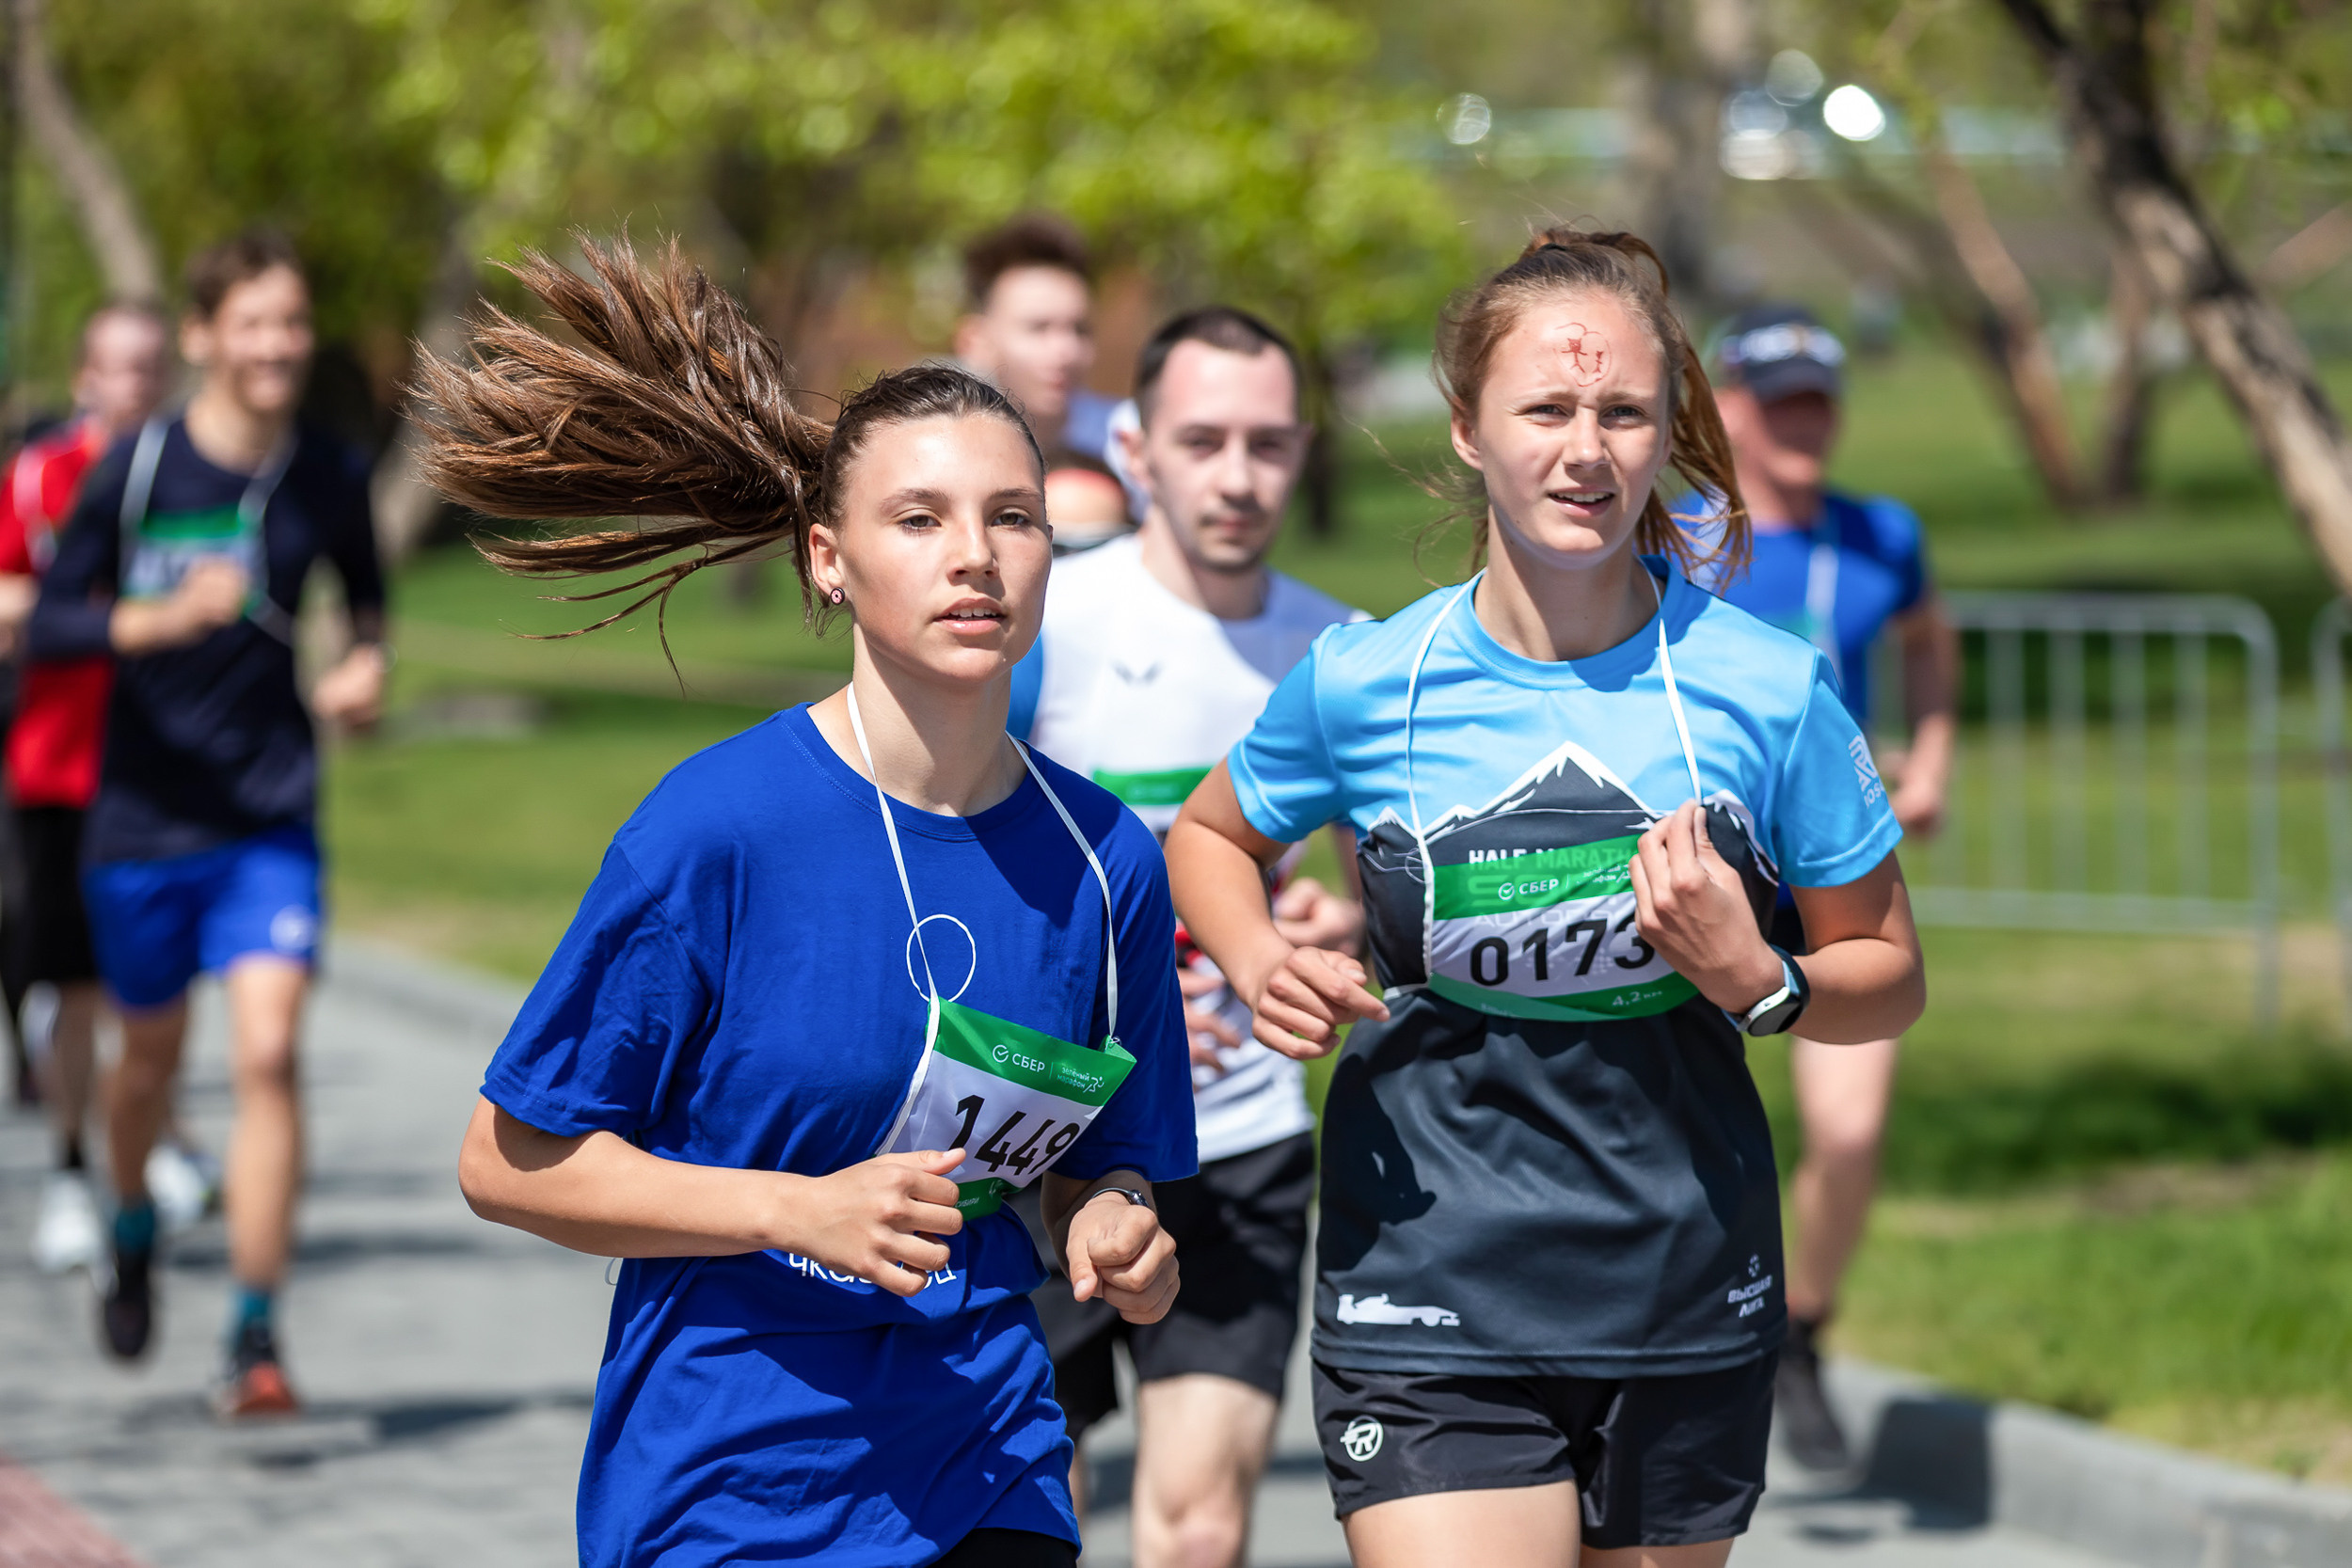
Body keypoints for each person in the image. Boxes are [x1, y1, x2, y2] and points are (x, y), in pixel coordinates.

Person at [417, 238, 1192, 1568]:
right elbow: (507, 1158)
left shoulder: (1105, 849)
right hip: (735, 1479)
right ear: (828, 561)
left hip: (987, 1454)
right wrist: (791, 1208)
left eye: (1012, 516)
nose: (976, 556)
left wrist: (1117, 1223)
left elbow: (1094, 1159)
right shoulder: (716, 829)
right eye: (921, 519)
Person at [1165, 229, 1927, 1568]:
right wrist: (1253, 954)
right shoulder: (1366, 678)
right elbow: (1214, 835)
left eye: (1626, 411)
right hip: (1426, 1268)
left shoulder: (1764, 685)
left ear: (1666, 431)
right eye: (1549, 408)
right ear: (1468, 428)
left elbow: (1891, 972)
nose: (1590, 449)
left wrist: (1762, 975)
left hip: (1682, 1276)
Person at [1010, 307, 1363, 1567]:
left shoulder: (1340, 650)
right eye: (1202, 438)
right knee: (1025, 1510)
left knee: (1200, 1524)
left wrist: (1337, 922)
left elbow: (1359, 890)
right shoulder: (1042, 624)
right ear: (1135, 443)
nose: (1235, 474)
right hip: (1040, 1130)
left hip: (1245, 1130)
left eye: (1267, 443)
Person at [27, 230, 389, 1415]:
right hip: (142, 818)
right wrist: (151, 623)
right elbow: (52, 625)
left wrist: (361, 674)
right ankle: (132, 1220)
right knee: (147, 1066)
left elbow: (366, 605)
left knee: (270, 1055)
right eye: (256, 322)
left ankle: (253, 1328)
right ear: (203, 337)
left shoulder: (329, 472)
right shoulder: (135, 472)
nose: (280, 343)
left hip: (268, 813)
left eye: (294, 321)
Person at [1697, 303, 1959, 1471]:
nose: (1802, 420)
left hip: (1832, 865)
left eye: (1819, 397)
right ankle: (1689, 1335)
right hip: (1701, 871)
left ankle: (1798, 1328)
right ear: (1727, 408)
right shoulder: (1684, 536)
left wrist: (1934, 756)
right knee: (1677, 1118)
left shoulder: (1881, 531)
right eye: (1776, 397)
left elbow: (1927, 637)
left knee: (1847, 1134)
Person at [0, 305, 172, 1272]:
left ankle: (156, 1149)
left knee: (152, 985)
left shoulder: (190, 480)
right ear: (84, 378)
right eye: (120, 368)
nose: (137, 385)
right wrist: (93, 610)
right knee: (75, 983)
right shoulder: (41, 477)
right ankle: (71, 1171)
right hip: (61, 760)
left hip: (171, 769)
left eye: (153, 368)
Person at [954, 214, 1129, 550]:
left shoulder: (1132, 442)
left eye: (1080, 330)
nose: (1066, 351)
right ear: (974, 341)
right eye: (1038, 328)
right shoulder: (935, 446)